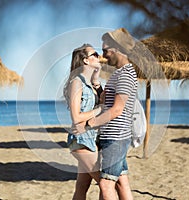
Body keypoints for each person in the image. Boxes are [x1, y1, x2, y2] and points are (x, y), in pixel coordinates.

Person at [85, 28, 138, 200]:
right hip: (113, 137)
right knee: (121, 183)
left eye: (106, 50)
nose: (103, 55)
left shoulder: (126, 75)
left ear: (118, 49)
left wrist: (91, 123)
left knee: (106, 184)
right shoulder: (119, 74)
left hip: (116, 138)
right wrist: (99, 89)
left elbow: (117, 109)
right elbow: (110, 104)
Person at [63, 43, 103, 200]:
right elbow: (76, 116)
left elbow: (104, 100)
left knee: (82, 187)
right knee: (106, 183)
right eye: (95, 54)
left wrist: (96, 79)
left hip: (91, 138)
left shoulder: (90, 84)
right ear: (85, 60)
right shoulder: (76, 83)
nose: (99, 56)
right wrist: (99, 109)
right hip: (81, 140)